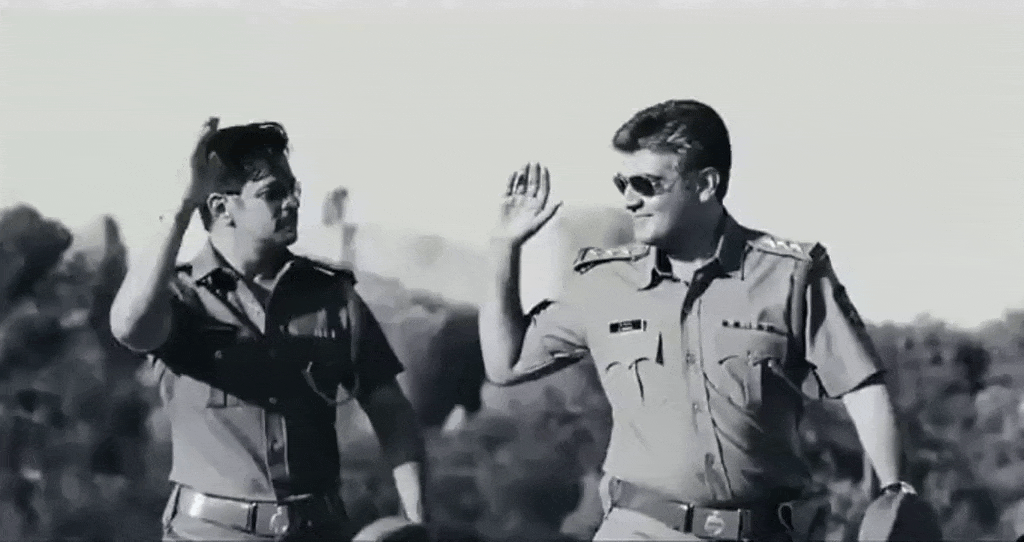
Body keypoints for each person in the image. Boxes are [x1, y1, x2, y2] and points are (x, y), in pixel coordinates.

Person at [478, 99, 912, 541]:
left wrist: (895, 500)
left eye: (646, 184)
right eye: (622, 183)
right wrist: (503, 248)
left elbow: (862, 389)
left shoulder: (790, 276)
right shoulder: (604, 283)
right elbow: (505, 364)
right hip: (640, 529)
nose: (629, 199)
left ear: (705, 184)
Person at [109, 118, 428, 541]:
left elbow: (392, 412)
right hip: (208, 535)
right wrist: (183, 206)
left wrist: (415, 519)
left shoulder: (331, 296)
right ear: (221, 208)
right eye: (272, 194)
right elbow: (128, 328)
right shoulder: (179, 298)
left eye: (294, 190)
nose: (292, 202)